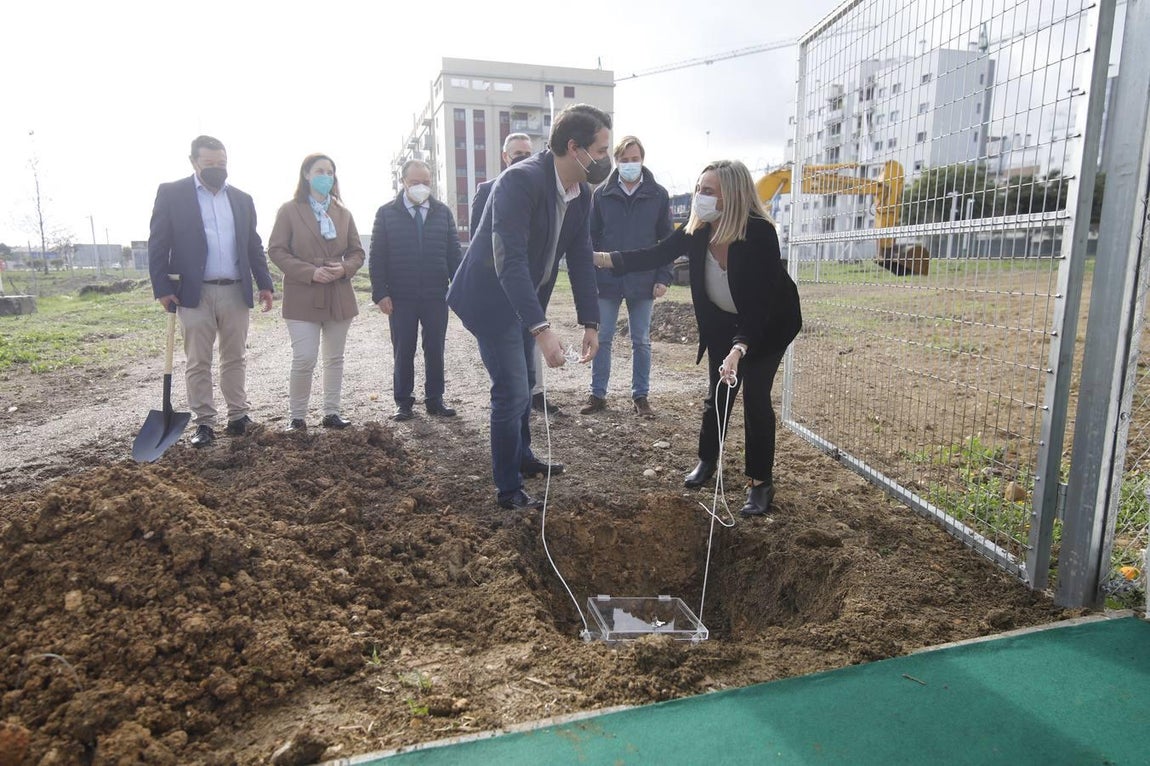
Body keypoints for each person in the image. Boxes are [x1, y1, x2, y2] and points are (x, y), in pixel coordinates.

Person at [595, 159, 802, 516]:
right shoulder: (697, 230)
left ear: (732, 195)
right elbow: (655, 253)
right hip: (722, 324)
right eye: (698, 189)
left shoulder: (759, 233)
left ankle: (760, 483)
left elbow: (761, 303)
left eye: (708, 191)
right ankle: (707, 460)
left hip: (767, 327)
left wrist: (740, 348)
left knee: (755, 399)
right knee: (718, 395)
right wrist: (602, 259)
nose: (699, 197)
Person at [449, 103, 609, 510]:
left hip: (523, 300)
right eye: (602, 149)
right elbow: (510, 260)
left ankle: (523, 457)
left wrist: (590, 321)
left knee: (525, 385)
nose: (605, 158)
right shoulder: (519, 182)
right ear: (574, 148)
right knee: (512, 390)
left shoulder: (581, 193)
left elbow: (580, 254)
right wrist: (541, 327)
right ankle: (507, 488)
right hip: (492, 299)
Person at [148, 134, 275, 448]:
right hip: (193, 292)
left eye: (222, 163)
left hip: (234, 290)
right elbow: (158, 243)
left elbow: (253, 244)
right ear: (194, 162)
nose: (217, 168)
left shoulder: (242, 199)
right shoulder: (172, 193)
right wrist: (161, 287)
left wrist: (265, 283)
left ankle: (238, 416)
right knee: (198, 360)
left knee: (235, 357)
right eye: (209, 163)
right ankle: (204, 422)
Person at [268, 153, 366, 432]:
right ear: (306, 174)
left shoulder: (343, 213)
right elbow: (276, 249)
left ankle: (331, 412)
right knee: (305, 357)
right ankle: (297, 417)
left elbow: (357, 252)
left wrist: (344, 268)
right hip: (303, 292)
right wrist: (309, 272)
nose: (326, 176)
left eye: (330, 172)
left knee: (334, 358)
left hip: (338, 293)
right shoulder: (289, 210)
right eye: (320, 171)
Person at [470, 133, 559, 416]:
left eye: (527, 152)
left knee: (529, 363)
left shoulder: (544, 190)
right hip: (499, 294)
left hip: (530, 291)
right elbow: (479, 245)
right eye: (517, 153)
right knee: (510, 382)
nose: (523, 157)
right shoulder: (487, 190)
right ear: (505, 157)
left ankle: (535, 398)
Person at [584, 135, 673, 417]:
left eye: (635, 160)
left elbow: (667, 240)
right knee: (604, 337)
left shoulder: (658, 195)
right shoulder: (601, 194)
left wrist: (664, 276)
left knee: (641, 340)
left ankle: (641, 396)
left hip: (644, 279)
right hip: (608, 279)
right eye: (624, 160)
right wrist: (594, 269)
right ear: (616, 161)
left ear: (642, 160)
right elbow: (591, 237)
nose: (630, 164)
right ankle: (598, 395)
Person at [369, 159, 463, 421]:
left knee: (435, 348)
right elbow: (377, 256)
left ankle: (435, 399)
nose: (421, 187)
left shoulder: (442, 212)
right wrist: (381, 293)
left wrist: (459, 289)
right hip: (401, 296)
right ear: (403, 183)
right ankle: (403, 402)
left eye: (426, 182)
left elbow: (454, 255)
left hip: (435, 294)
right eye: (415, 182)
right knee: (403, 348)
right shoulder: (386, 213)